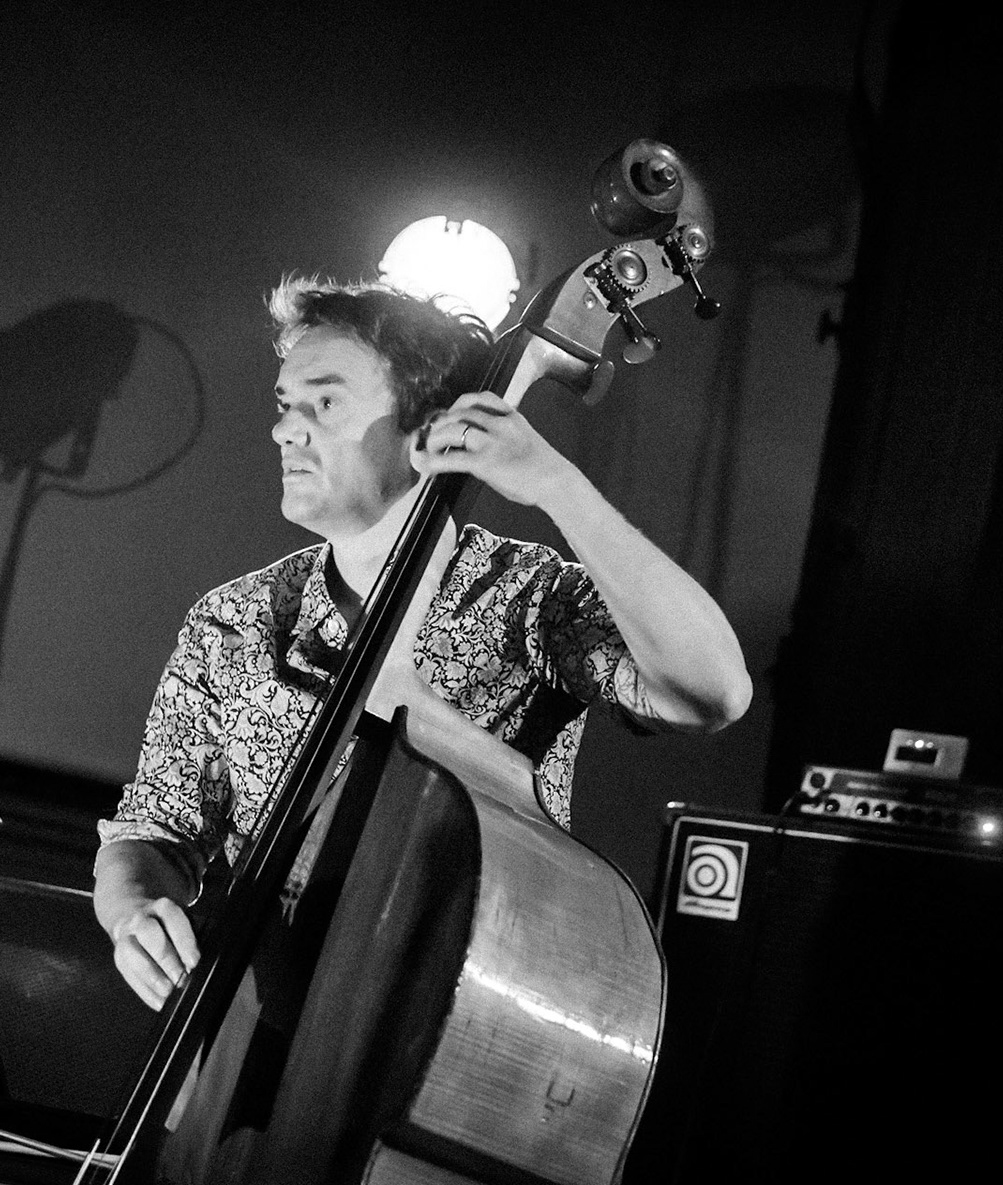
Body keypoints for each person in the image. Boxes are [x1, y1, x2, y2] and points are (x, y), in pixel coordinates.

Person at [93, 277, 751, 1009]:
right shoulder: (235, 620)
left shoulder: (523, 598)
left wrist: (557, 486)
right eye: (285, 405)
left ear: (427, 426)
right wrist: (133, 911)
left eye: (326, 401)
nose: (285, 429)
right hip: (254, 1023)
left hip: (465, 1017)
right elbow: (155, 829)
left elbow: (712, 691)